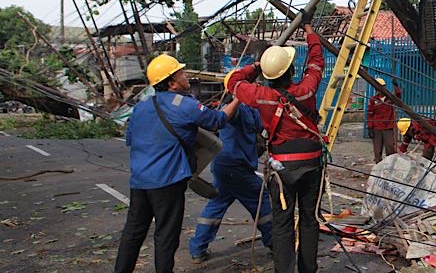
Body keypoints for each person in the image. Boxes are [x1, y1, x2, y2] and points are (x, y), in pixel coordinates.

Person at [114, 54, 240, 273]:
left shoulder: (142, 106)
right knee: (165, 236)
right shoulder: (184, 105)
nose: (186, 75)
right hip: (167, 182)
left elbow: (131, 140)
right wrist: (239, 98)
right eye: (181, 73)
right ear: (171, 82)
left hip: (140, 181)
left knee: (133, 233)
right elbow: (217, 121)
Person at [226, 24, 324, 273]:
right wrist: (311, 33)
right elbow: (316, 61)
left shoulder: (260, 95)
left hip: (282, 168)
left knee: (282, 224)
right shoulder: (306, 91)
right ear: (291, 70)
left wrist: (256, 66)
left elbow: (234, 82)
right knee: (309, 220)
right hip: (312, 163)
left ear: (268, 76)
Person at [189, 91, 274, 263]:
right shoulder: (236, 109)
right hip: (236, 167)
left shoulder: (243, 109)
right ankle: (276, 244)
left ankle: (197, 249)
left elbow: (261, 126)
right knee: (261, 201)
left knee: (216, 204)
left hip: (224, 166)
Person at [367, 78, 400, 163]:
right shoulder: (373, 100)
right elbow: (370, 114)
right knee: (377, 151)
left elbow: (398, 96)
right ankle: (378, 166)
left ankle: (390, 166)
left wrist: (396, 86)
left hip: (388, 128)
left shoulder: (390, 98)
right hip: (377, 128)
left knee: (390, 149)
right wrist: (370, 127)